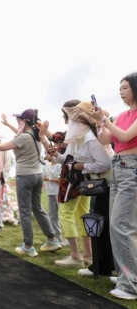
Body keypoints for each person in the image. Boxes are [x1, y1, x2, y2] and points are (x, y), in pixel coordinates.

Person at [40, 102, 112, 270]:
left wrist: (82, 166)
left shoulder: (89, 139)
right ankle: (88, 256)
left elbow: (106, 164)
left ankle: (75, 256)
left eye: (69, 118)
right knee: (84, 216)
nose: (67, 122)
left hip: (96, 183)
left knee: (65, 214)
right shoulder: (77, 138)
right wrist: (55, 153)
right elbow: (66, 160)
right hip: (90, 183)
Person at [0, 109, 60, 258]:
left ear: (25, 121)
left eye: (18, 120)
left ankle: (28, 246)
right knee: (38, 208)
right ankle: (52, 239)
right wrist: (8, 124)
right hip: (37, 175)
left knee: (25, 212)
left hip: (25, 177)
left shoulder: (24, 138)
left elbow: (0, 147)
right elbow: (20, 133)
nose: (17, 122)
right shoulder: (34, 135)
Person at [91, 72, 137, 300]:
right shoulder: (122, 114)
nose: (121, 91)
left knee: (122, 225)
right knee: (116, 225)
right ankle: (124, 275)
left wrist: (106, 119)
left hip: (132, 169)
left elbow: (126, 136)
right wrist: (100, 121)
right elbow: (105, 140)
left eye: (125, 87)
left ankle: (130, 285)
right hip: (119, 166)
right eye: (120, 88)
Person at [41, 133, 63, 245]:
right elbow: (43, 177)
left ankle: (66, 238)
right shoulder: (46, 165)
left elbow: (60, 180)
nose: (46, 155)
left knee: (61, 215)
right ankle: (57, 236)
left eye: (48, 153)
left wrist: (48, 178)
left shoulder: (59, 165)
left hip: (58, 191)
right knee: (52, 215)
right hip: (49, 191)